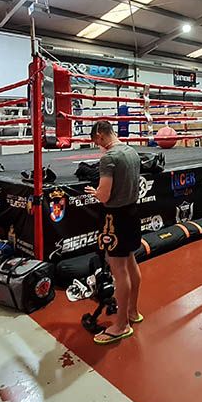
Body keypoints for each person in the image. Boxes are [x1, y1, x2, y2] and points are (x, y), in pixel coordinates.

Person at [83, 120, 142, 345]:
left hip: (114, 218)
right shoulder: (132, 152)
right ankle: (132, 312)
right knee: (130, 262)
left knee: (119, 270)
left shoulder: (109, 158)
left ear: (100, 135)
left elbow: (105, 196)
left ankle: (121, 325)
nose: (98, 145)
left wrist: (95, 193)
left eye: (96, 141)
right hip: (132, 213)